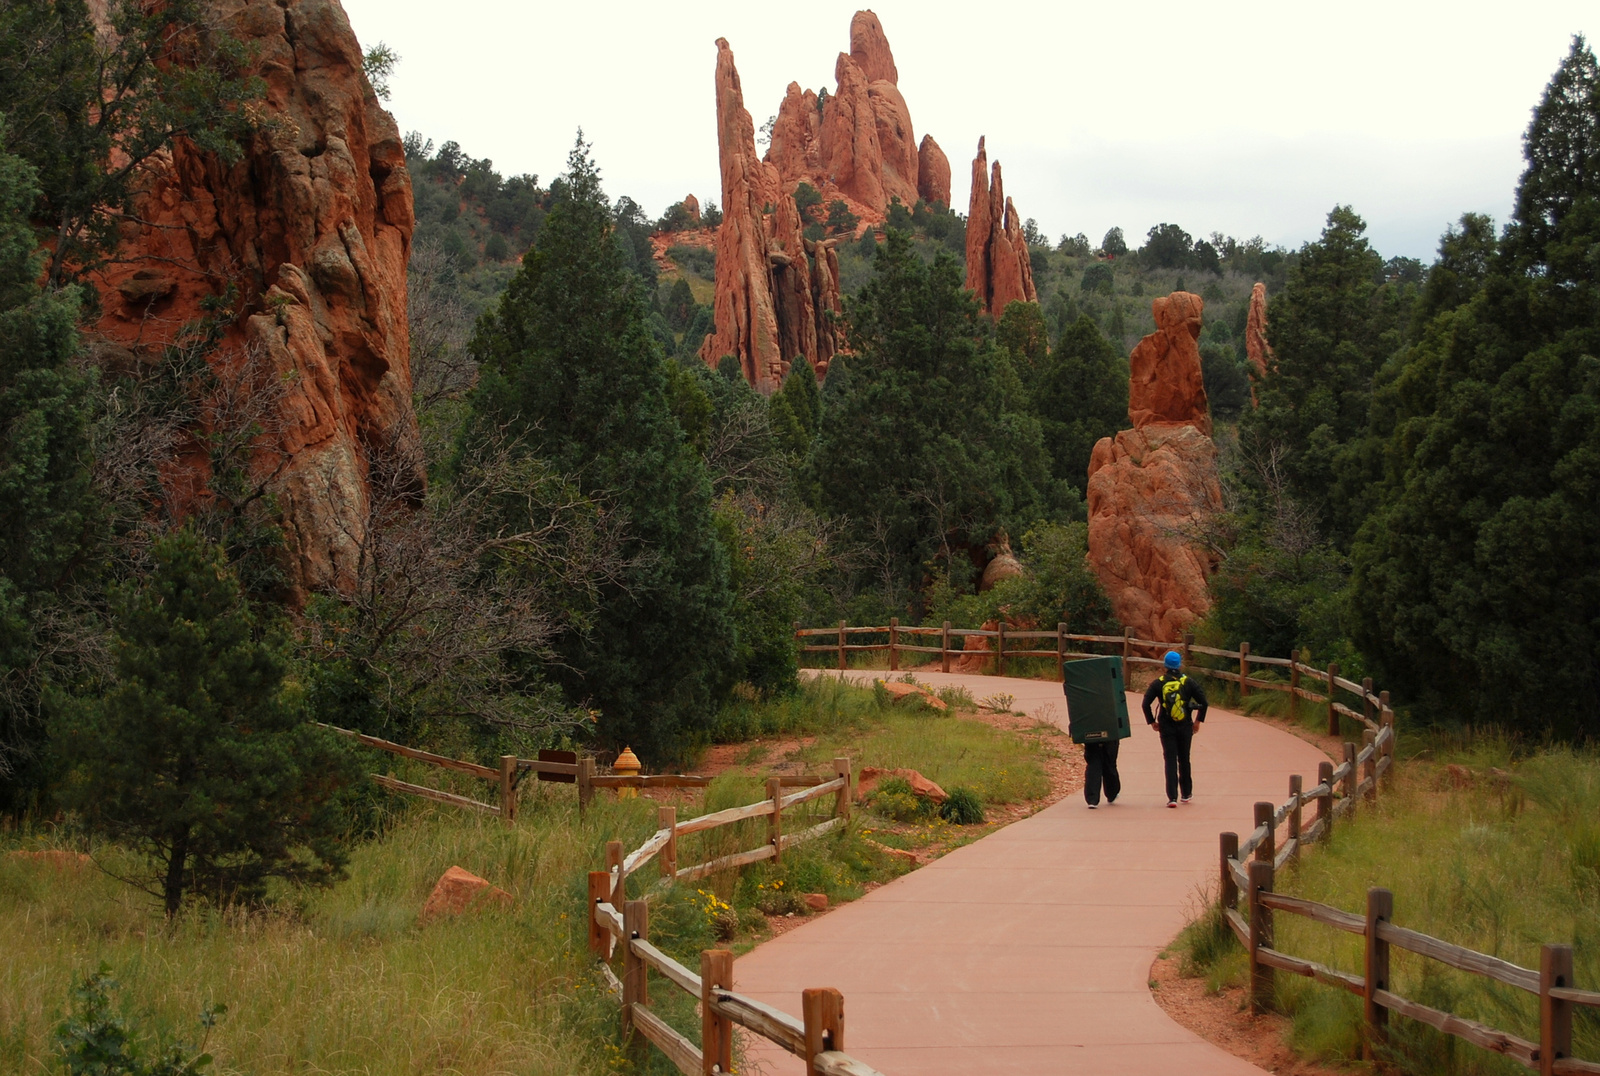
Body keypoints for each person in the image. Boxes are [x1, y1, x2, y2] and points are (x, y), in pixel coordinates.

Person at [1142, 650, 1208, 808]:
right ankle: (1186, 794)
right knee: (1184, 759)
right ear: (1179, 665)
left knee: (1170, 760)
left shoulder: (1158, 683)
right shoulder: (1188, 682)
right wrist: (1197, 721)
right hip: (1185, 725)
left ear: (1165, 665)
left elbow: (1145, 704)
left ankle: (1172, 797)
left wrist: (1152, 722)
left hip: (1166, 726)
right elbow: (1204, 702)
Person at [1083, 739, 1120, 809]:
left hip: (1090, 735)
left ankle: (1092, 799)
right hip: (1110, 734)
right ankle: (1112, 793)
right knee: (1109, 764)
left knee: (1093, 764)